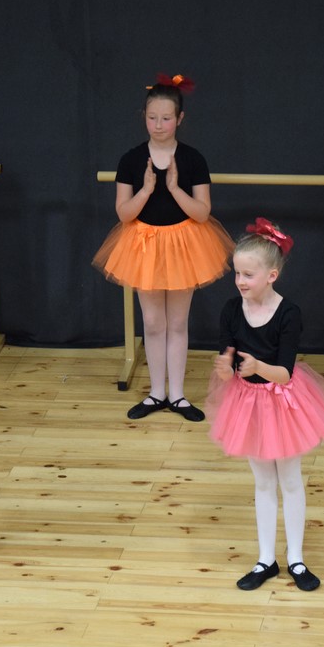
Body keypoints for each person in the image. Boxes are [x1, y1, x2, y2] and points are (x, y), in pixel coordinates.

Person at [205, 219, 324, 591]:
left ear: (272, 275)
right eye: (237, 274)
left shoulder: (288, 314)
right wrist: (226, 368)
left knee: (290, 480)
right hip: (247, 404)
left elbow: (284, 372)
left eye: (248, 275)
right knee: (263, 481)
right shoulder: (232, 310)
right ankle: (266, 559)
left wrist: (257, 367)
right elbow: (228, 355)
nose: (240, 281)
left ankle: (296, 558)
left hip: (282, 401)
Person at [93, 73, 234, 422]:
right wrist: (146, 189)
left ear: (180, 118)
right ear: (143, 115)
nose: (158, 125)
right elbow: (124, 214)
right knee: (154, 321)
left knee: (178, 321)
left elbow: (202, 212)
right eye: (152, 117)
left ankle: (178, 395)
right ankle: (157, 392)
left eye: (166, 118)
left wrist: (173, 187)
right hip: (143, 244)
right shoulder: (131, 160)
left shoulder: (193, 159)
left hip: (185, 243)